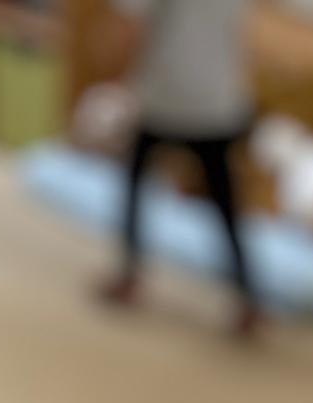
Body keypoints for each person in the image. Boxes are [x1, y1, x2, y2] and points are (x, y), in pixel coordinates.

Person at [96, 0, 263, 336]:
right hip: (220, 101)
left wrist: (119, 76)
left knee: (134, 181)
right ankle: (247, 298)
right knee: (225, 201)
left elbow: (132, 28)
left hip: (166, 98)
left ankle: (129, 277)